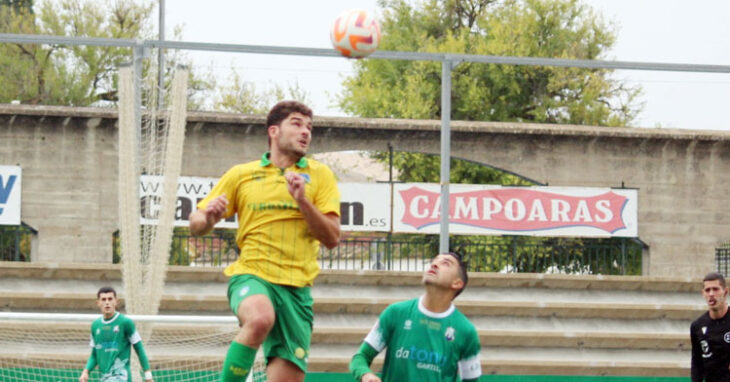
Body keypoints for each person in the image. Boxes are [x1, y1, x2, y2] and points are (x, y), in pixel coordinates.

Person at [189, 100, 341, 382]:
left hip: (297, 290)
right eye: (296, 124)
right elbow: (196, 223)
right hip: (253, 275)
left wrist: (302, 201)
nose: (305, 132)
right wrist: (209, 217)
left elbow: (332, 238)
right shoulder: (241, 174)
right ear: (273, 131)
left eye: (309, 127)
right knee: (259, 319)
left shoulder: (320, 175)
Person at [349, 251, 482, 382]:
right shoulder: (395, 313)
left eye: (445, 263)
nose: (434, 265)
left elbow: (472, 380)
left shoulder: (466, 331)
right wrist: (366, 375)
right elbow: (360, 357)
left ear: (457, 283)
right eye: (434, 261)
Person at [79, 286, 153, 382]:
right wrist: (86, 371)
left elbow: (139, 349)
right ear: (98, 303)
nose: (107, 302)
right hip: (104, 378)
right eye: (103, 299)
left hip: (121, 377)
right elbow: (94, 354)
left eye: (110, 299)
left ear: (116, 301)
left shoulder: (126, 323)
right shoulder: (95, 326)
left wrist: (148, 376)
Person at [691, 272, 730, 382]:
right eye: (708, 290)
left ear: (725, 292)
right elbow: (697, 362)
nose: (711, 294)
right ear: (703, 293)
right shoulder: (697, 326)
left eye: (716, 289)